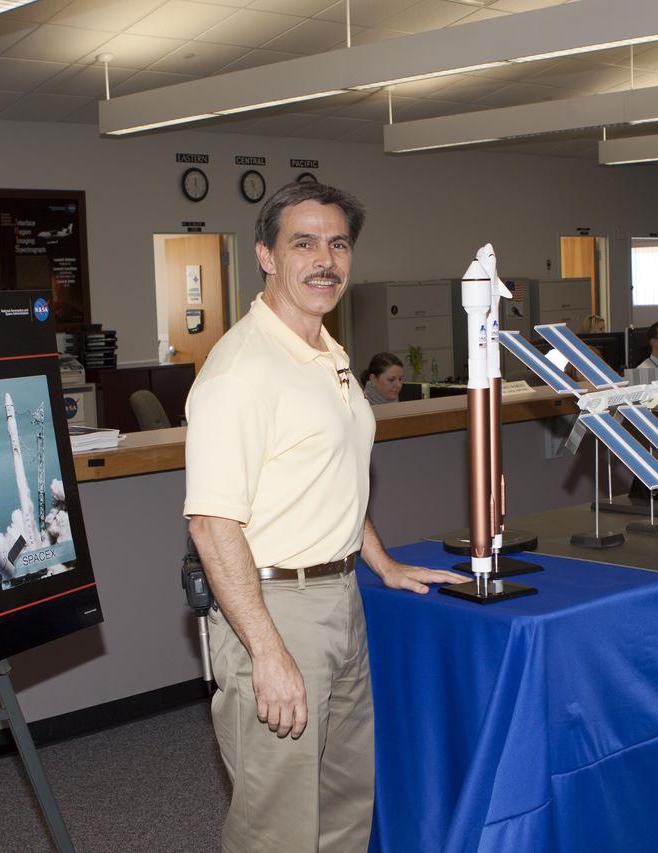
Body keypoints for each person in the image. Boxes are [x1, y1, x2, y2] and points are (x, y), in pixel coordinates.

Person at [184, 181, 467, 853]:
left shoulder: (329, 353)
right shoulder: (241, 370)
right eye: (303, 243)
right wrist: (268, 651)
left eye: (337, 244)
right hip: (273, 607)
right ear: (266, 255)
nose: (325, 260)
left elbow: (333, 473)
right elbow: (212, 523)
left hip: (339, 599)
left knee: (345, 804)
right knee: (276, 827)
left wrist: (381, 560)